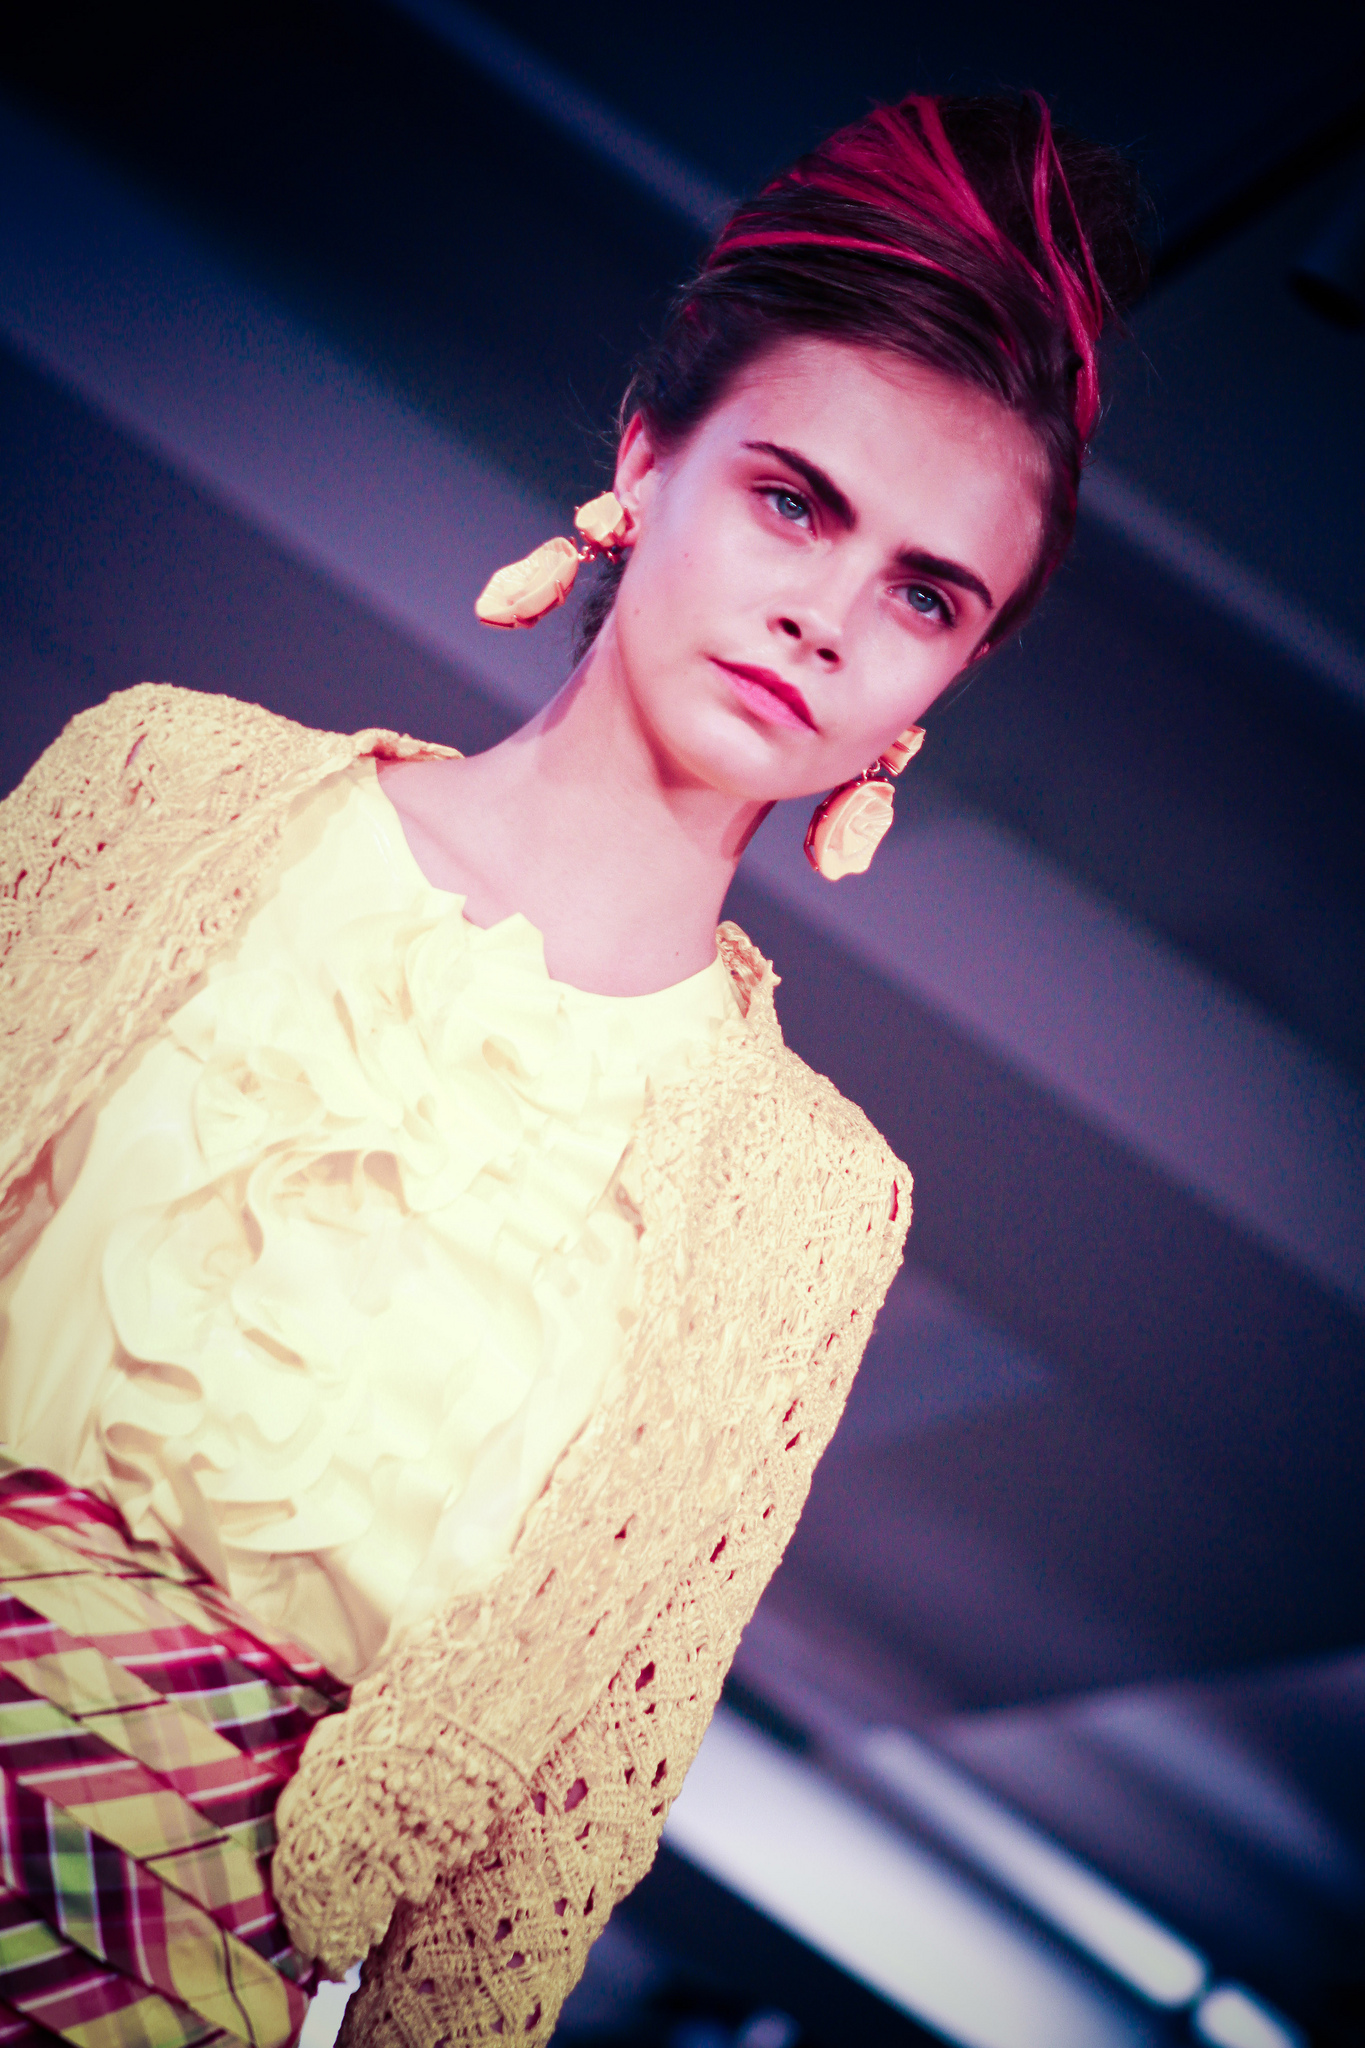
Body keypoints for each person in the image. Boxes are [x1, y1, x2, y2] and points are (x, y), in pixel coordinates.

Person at [0, 90, 1145, 2048]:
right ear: (644, 458)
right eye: (794, 501)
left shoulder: (807, 1208)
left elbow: (545, 1852)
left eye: (923, 594)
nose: (827, 617)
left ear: (943, 680)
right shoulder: (164, 785)